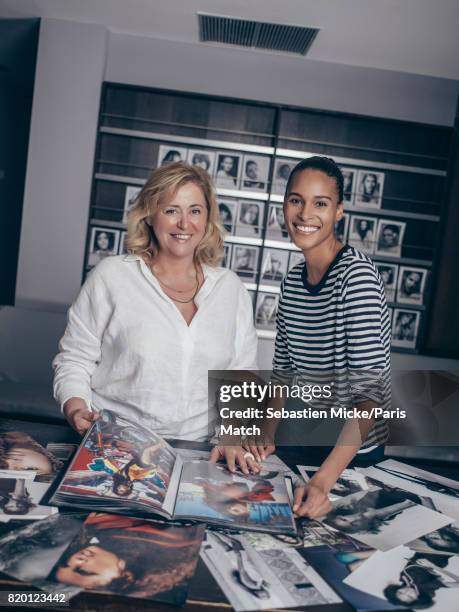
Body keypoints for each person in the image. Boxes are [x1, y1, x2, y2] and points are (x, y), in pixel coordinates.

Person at [214, 156, 391, 517]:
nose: (305, 213)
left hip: (350, 456)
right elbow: (283, 374)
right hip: (307, 442)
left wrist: (324, 481)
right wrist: (265, 433)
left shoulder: (356, 279)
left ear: (339, 211)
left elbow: (370, 396)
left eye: (320, 203)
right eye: (296, 200)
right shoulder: (292, 283)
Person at [53, 162, 258, 453]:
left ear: (208, 218)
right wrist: (75, 407)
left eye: (195, 211)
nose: (184, 224)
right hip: (112, 441)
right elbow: (74, 359)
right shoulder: (111, 276)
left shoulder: (231, 288)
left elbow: (242, 376)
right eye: (171, 210)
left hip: (198, 451)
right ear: (149, 215)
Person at [50, 513, 203, 598]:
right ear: (127, 576)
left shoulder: (90, 531)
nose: (74, 559)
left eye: (65, 563)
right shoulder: (174, 543)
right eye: (83, 570)